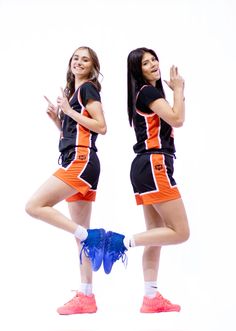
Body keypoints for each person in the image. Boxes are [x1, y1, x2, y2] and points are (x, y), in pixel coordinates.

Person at [103, 47, 190, 313]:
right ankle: (118, 243)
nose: (153, 64)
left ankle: (150, 297)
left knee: (155, 236)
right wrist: (178, 89)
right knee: (181, 232)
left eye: (154, 59)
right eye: (145, 63)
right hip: (154, 165)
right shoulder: (148, 92)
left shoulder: (142, 95)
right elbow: (177, 119)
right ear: (137, 71)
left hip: (145, 167)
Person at [25, 46, 107, 315]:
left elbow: (101, 127)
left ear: (93, 66)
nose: (79, 62)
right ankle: (87, 296)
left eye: (85, 59)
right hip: (79, 160)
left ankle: (90, 237)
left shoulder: (87, 90)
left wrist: (68, 111)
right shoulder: (74, 94)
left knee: (34, 206)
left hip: (81, 161)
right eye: (75, 58)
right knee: (79, 235)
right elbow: (78, 131)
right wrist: (57, 121)